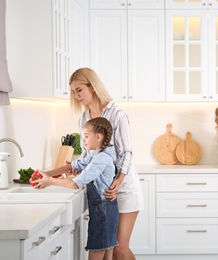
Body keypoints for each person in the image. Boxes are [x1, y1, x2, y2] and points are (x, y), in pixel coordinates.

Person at [69, 68, 143, 260]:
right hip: (103, 190)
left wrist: (118, 181)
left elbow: (126, 152)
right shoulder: (84, 118)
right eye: (73, 92)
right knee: (107, 249)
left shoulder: (117, 114)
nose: (76, 96)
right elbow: (88, 154)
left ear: (92, 87)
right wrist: (75, 169)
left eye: (79, 90)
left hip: (124, 187)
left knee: (119, 248)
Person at [32, 117, 119, 260]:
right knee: (107, 256)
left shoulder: (101, 159)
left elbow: (75, 183)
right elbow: (73, 166)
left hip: (102, 212)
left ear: (98, 137)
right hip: (108, 209)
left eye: (86, 136)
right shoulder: (99, 155)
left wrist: (50, 181)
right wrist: (47, 174)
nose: (83, 140)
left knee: (97, 254)